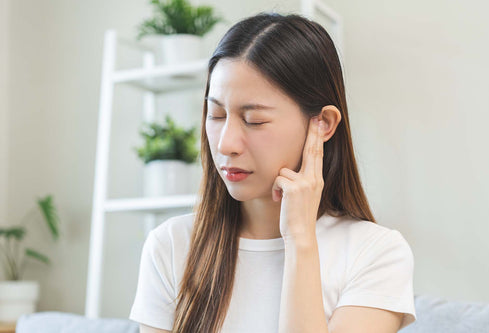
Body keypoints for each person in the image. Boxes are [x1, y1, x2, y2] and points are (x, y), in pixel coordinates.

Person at [129, 11, 417, 333]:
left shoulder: (375, 253)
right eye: (217, 114)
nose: (226, 144)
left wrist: (300, 239)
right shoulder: (170, 246)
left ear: (322, 124)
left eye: (254, 120)